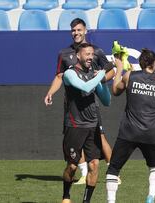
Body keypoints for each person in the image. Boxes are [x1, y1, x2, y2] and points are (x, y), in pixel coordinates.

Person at [44, 18, 115, 185]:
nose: (76, 33)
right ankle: (84, 174)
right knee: (78, 141)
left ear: (85, 31)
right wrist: (50, 93)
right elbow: (59, 76)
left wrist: (100, 82)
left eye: (79, 30)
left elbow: (108, 71)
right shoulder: (64, 53)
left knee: (101, 136)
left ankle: (113, 172)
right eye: (73, 30)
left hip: (91, 104)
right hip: (72, 106)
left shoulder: (95, 51)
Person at [105, 49, 155, 203]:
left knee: (113, 169)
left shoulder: (130, 76)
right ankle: (151, 196)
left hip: (128, 132)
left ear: (140, 63)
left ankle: (111, 201)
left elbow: (115, 90)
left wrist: (120, 68)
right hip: (150, 133)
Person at [61, 43, 111, 203]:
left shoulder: (93, 74)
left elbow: (106, 101)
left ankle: (86, 201)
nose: (90, 57)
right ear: (78, 56)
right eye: (87, 54)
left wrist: (102, 81)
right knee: (72, 167)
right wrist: (101, 74)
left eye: (92, 54)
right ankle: (66, 196)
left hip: (92, 126)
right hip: (75, 127)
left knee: (95, 165)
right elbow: (85, 87)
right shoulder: (69, 73)